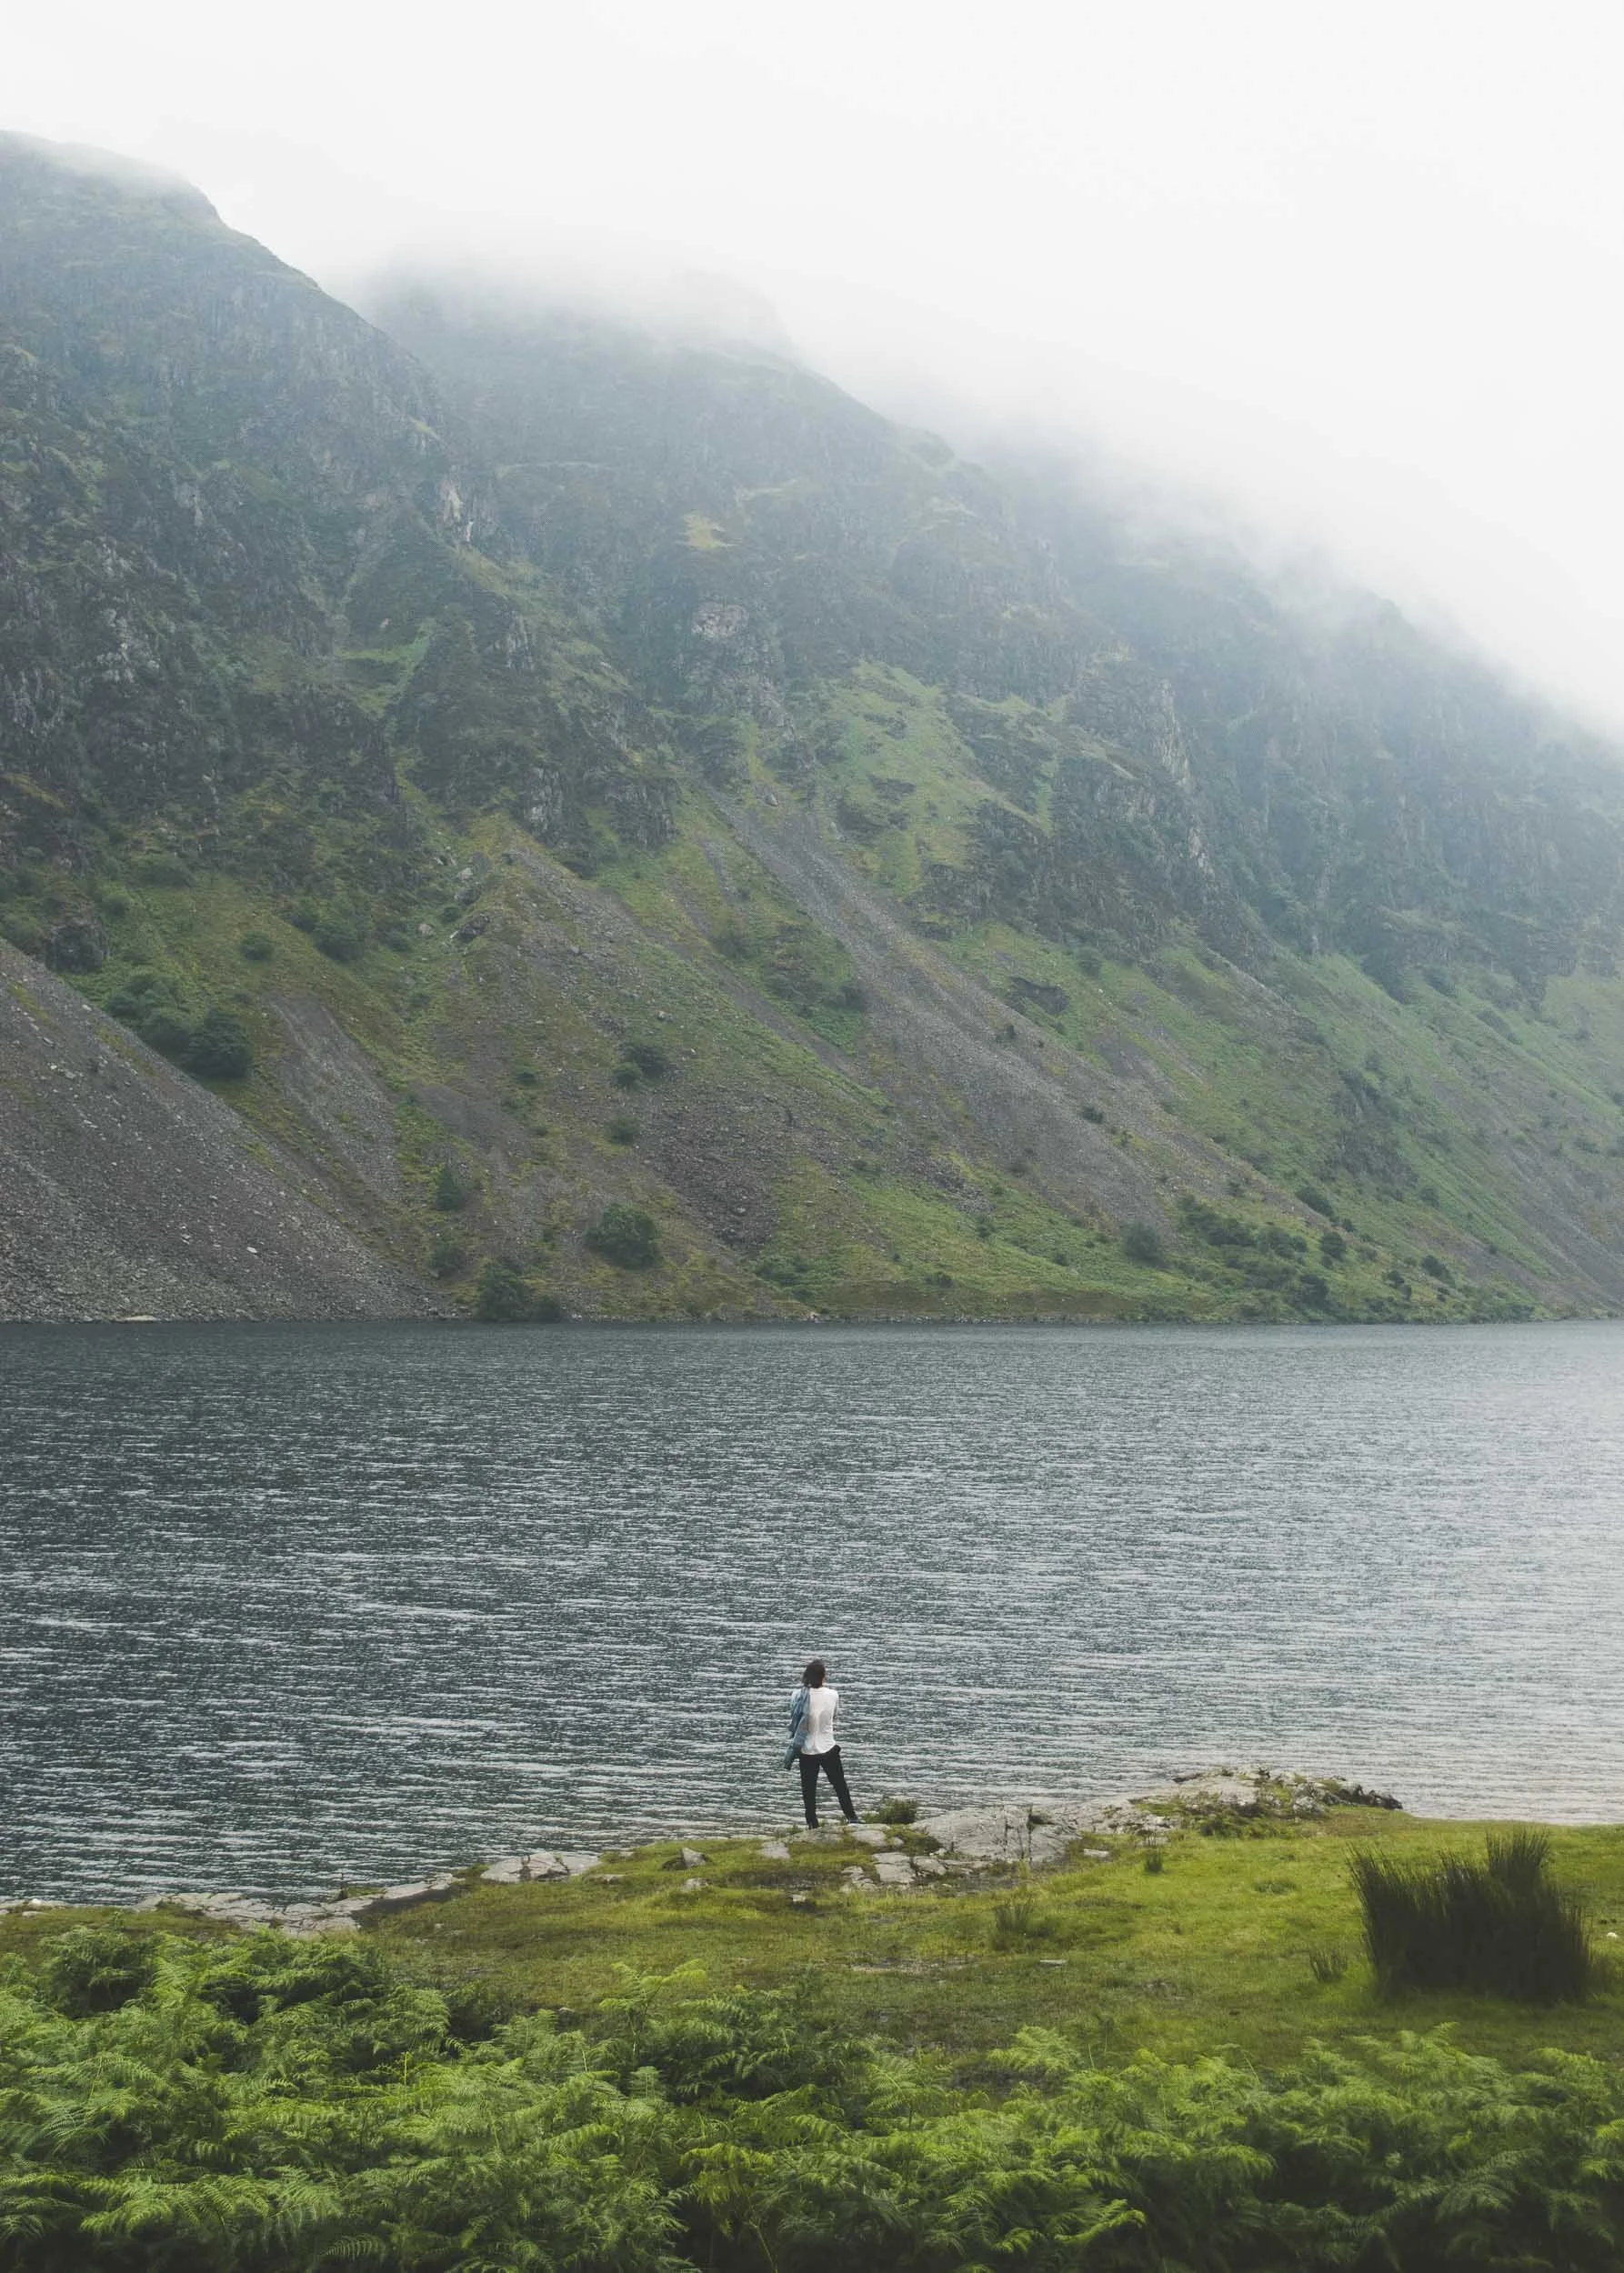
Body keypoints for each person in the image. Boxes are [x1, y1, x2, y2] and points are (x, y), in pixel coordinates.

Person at [786, 1657, 859, 1828]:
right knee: (840, 1785)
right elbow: (835, 1716)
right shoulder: (833, 1695)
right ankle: (852, 1817)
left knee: (808, 1789)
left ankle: (812, 1822)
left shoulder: (797, 1695)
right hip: (828, 1747)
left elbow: (793, 1717)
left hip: (806, 1749)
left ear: (806, 1676)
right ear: (823, 1676)